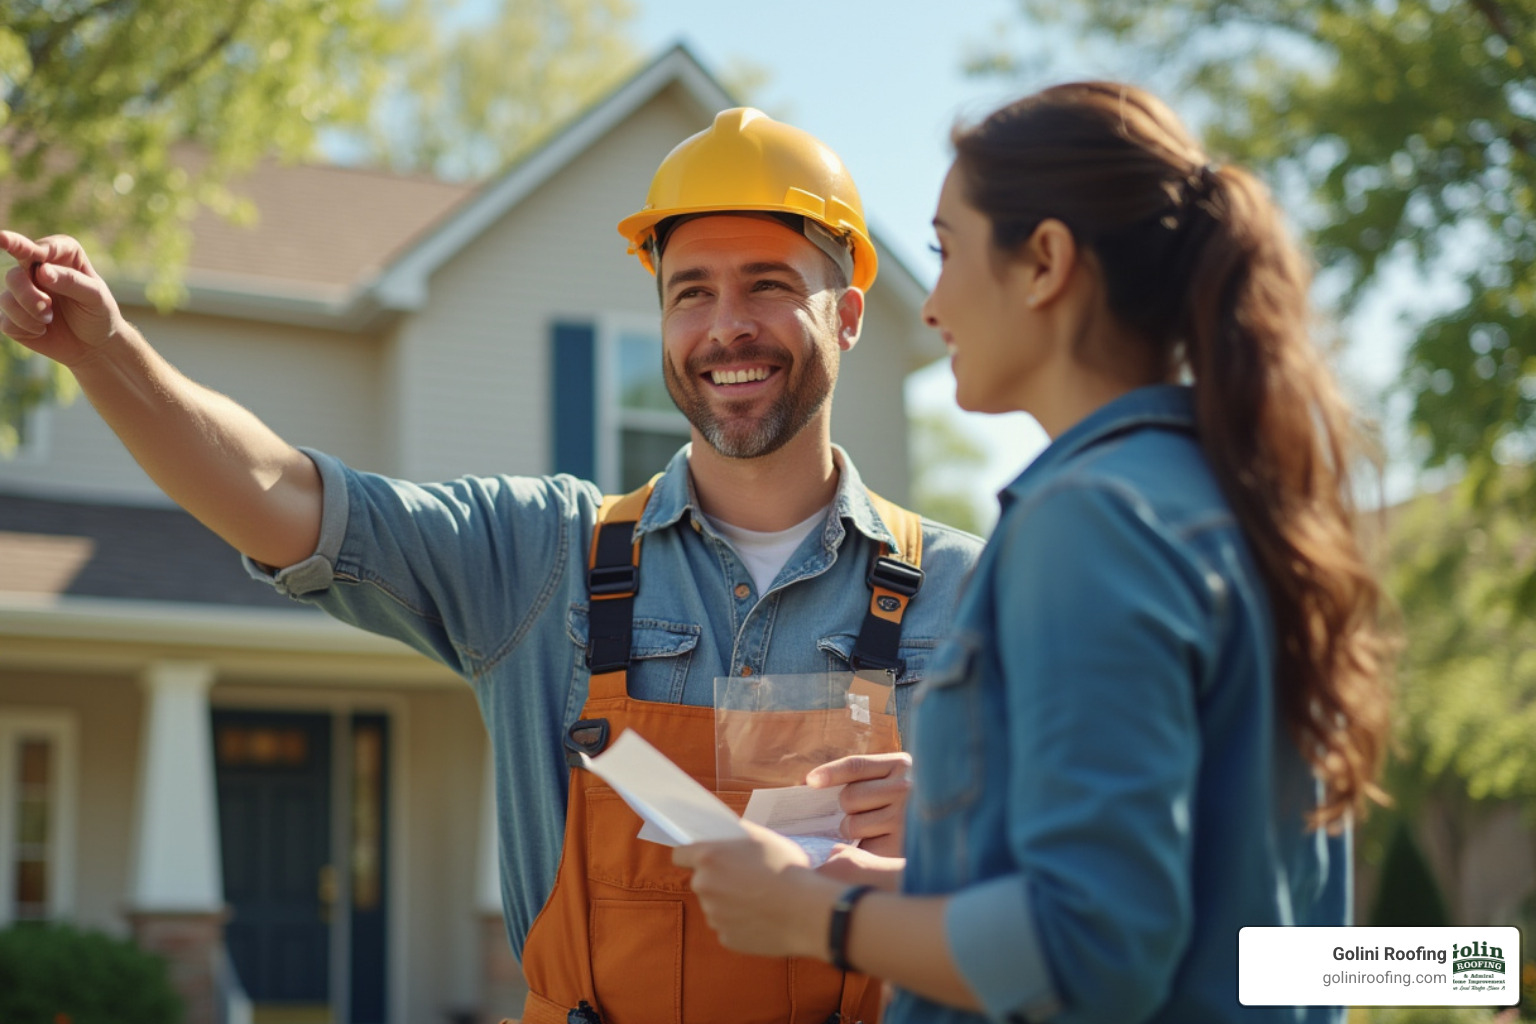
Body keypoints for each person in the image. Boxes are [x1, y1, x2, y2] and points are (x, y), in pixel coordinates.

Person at [0, 107, 982, 1024]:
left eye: (768, 283)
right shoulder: (540, 557)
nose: (727, 325)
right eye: (692, 292)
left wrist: (963, 831)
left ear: (849, 315)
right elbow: (281, 497)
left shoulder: (972, 595)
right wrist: (105, 353)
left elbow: (1086, 903)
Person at [673, 82, 1396, 1024]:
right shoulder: (1245, 508)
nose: (929, 306)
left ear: (1046, 261)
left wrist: (818, 913)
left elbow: (1093, 950)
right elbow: (1275, 952)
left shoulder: (1091, 525)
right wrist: (925, 880)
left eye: (945, 251)